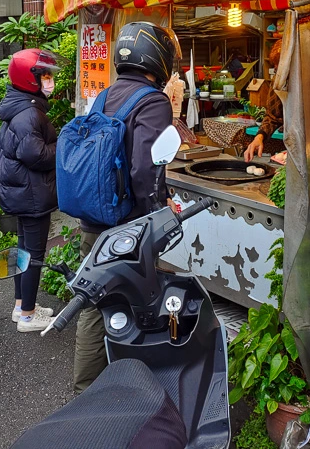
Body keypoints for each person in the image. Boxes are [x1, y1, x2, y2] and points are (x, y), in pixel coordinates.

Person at [73, 21, 181, 392]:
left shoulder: (104, 96)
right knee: (143, 305)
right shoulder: (152, 102)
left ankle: (86, 391)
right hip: (127, 231)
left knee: (94, 305)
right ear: (158, 57)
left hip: (94, 220)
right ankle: (136, 392)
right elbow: (145, 168)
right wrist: (158, 216)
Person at [0, 49, 62, 332]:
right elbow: (36, 155)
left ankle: (20, 305)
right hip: (31, 194)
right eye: (44, 75)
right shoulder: (29, 113)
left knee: (22, 250)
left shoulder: (20, 105)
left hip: (22, 191)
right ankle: (28, 316)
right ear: (29, 79)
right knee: (33, 254)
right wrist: (64, 145)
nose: (50, 81)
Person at [244, 41, 284, 162]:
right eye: (275, 67)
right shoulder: (278, 82)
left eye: (280, 65)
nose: (277, 70)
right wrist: (259, 138)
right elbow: (272, 116)